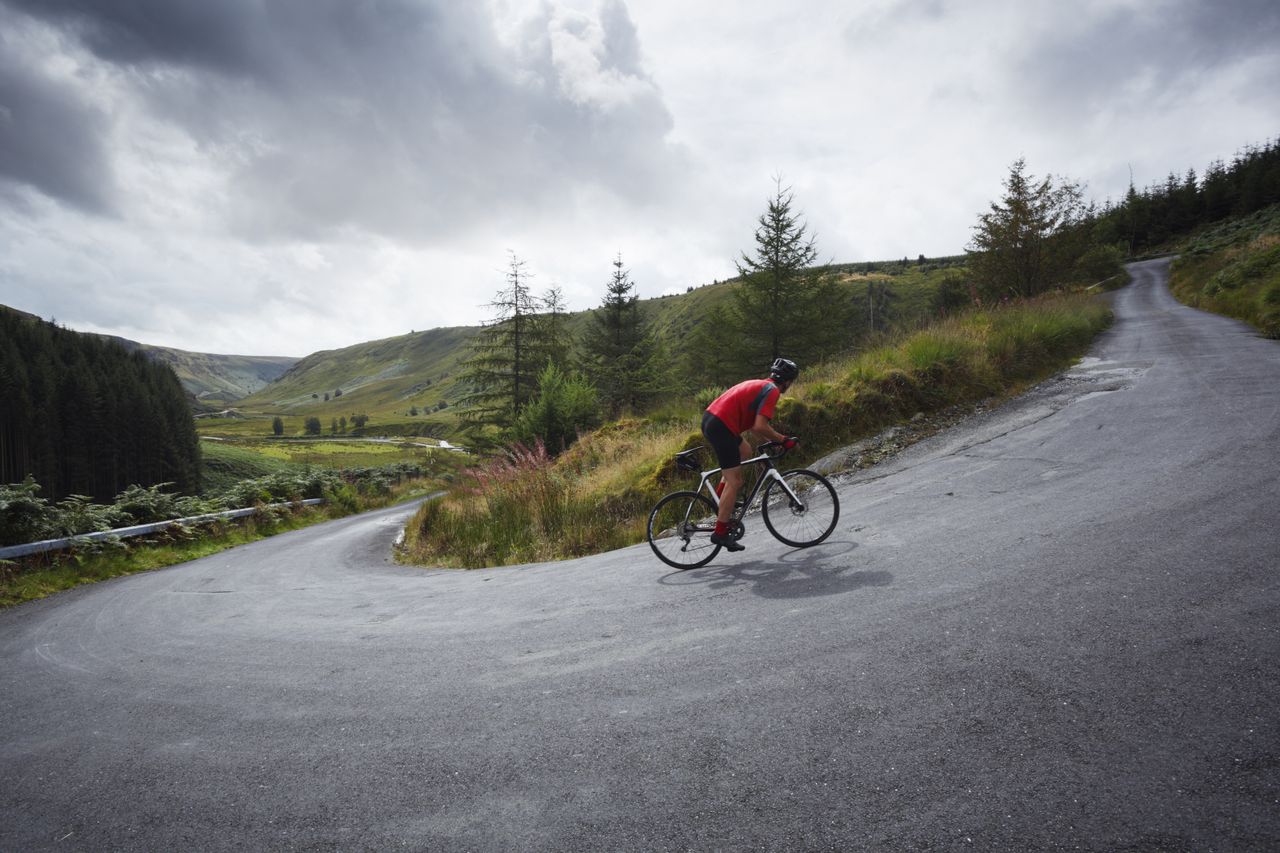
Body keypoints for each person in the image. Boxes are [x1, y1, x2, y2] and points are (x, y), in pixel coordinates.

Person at [701, 357, 799, 551]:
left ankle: (719, 499)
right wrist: (783, 440)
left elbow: (754, 428)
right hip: (722, 426)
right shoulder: (772, 392)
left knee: (745, 450)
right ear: (788, 381)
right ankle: (720, 533)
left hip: (713, 420)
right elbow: (760, 425)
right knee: (735, 481)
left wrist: (769, 441)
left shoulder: (762, 384)